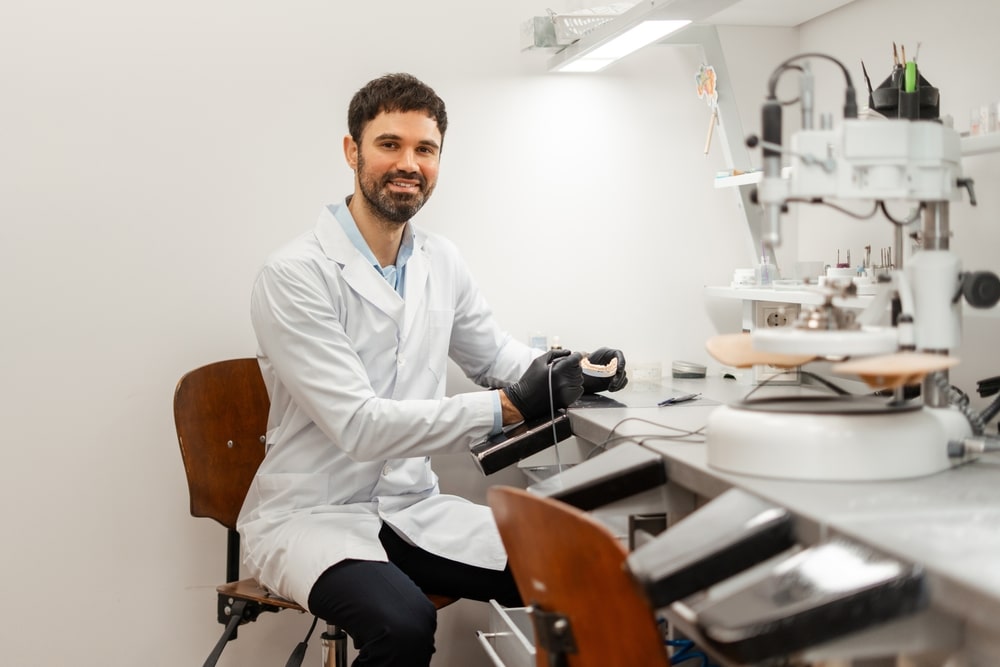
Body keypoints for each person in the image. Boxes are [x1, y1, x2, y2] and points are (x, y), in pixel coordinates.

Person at [239, 72, 628, 666]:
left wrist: (574, 370)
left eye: (425, 149)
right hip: (314, 514)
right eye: (389, 144)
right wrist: (510, 405)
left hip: (412, 506)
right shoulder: (295, 274)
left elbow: (495, 357)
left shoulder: (439, 259)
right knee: (402, 623)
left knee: (576, 572)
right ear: (352, 151)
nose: (409, 164)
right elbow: (360, 427)